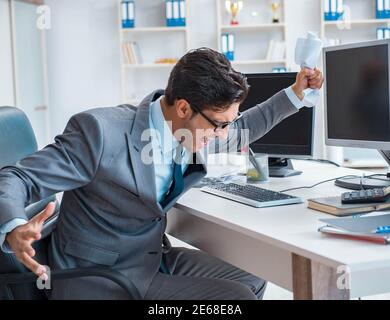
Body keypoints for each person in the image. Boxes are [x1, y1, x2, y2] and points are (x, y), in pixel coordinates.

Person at [0, 48, 323, 299]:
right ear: (183, 108)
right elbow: (17, 177)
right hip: (100, 280)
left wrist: (295, 93)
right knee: (234, 298)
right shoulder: (101, 133)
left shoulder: (193, 130)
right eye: (220, 125)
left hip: (149, 258)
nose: (226, 134)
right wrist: (14, 226)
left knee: (252, 274)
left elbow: (245, 127)